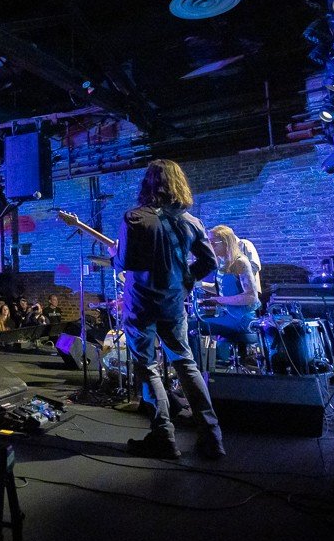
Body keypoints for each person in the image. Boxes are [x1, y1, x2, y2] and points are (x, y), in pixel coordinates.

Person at [111, 159, 225, 460]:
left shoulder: (135, 218)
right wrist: (186, 280)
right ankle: (212, 438)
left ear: (147, 184)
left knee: (147, 367)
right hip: (173, 304)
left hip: (141, 304)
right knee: (186, 363)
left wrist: (114, 255)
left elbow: (125, 262)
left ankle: (164, 437)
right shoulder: (192, 222)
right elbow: (209, 262)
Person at [203, 225, 261, 368]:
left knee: (194, 325)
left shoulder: (240, 262)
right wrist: (198, 284)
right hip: (229, 315)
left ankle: (197, 371)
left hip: (242, 318)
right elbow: (220, 289)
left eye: (213, 242)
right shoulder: (223, 262)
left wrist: (220, 300)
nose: (210, 245)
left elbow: (251, 297)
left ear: (226, 242)